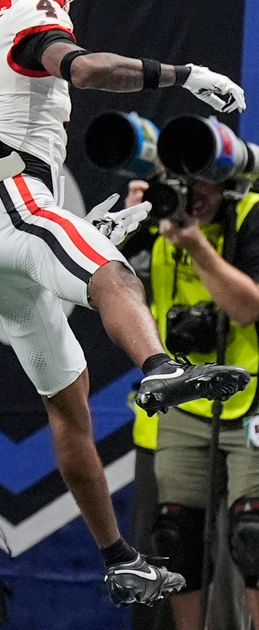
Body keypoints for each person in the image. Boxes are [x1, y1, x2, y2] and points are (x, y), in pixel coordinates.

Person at [0, 0, 250, 606]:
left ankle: (119, 557)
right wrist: (184, 74)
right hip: (13, 200)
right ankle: (161, 366)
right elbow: (87, 70)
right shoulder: (26, 19)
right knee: (110, 272)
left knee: (69, 399)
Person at [123, 174, 259, 629]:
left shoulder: (253, 215)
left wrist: (197, 245)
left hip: (253, 400)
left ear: (229, 184)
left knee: (254, 538)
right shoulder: (155, 219)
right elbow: (102, 288)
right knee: (175, 538)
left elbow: (247, 308)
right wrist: (128, 223)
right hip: (186, 400)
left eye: (205, 185)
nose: (193, 197)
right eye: (183, 184)